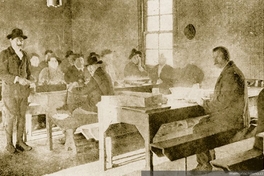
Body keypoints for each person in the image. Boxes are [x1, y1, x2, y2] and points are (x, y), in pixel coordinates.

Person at [192, 46, 247, 173]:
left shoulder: (230, 74)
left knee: (198, 129)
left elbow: (222, 103)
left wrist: (203, 102)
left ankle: (204, 165)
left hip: (232, 121)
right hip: (233, 116)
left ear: (225, 56)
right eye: (213, 57)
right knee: (203, 123)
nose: (214, 61)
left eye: (217, 57)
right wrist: (213, 97)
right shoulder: (231, 70)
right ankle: (210, 159)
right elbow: (226, 97)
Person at [0, 28, 33, 153]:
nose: (20, 42)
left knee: (22, 118)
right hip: (10, 93)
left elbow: (29, 73)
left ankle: (19, 142)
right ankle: (9, 144)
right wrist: (17, 79)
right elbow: (2, 74)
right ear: (11, 40)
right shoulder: (4, 54)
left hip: (23, 93)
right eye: (17, 39)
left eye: (22, 39)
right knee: (10, 118)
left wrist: (31, 82)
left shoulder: (24, 55)